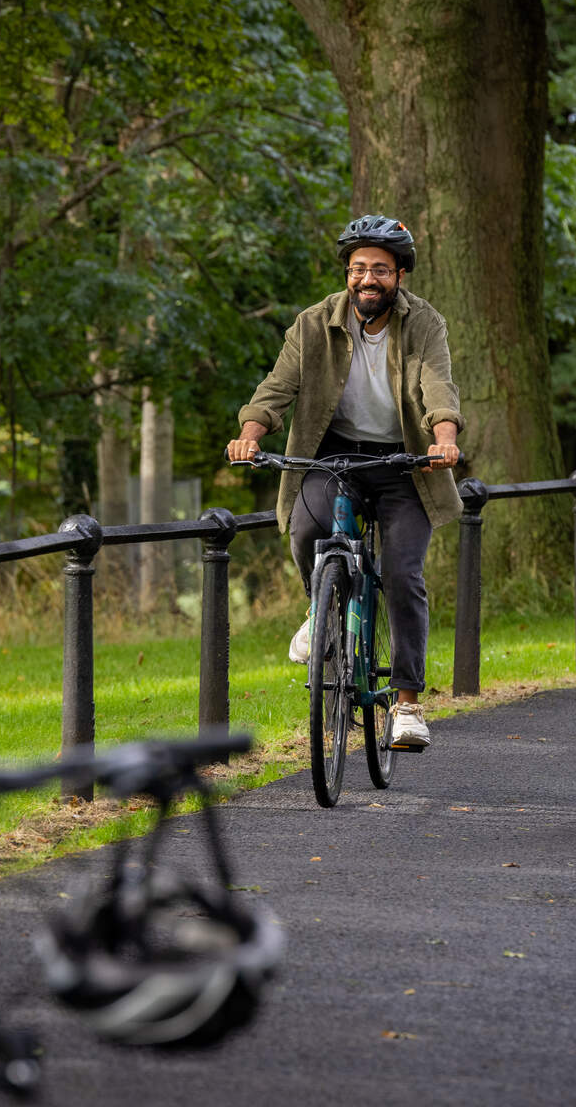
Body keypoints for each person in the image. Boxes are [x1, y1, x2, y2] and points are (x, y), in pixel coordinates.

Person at [226, 214, 463, 749]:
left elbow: (437, 387)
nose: (367, 279)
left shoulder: (424, 323)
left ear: (400, 275)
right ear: (347, 274)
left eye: (380, 269)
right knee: (307, 531)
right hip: (333, 456)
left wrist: (443, 439)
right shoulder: (312, 324)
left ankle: (406, 704)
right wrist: (251, 434)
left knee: (403, 574)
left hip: (404, 462)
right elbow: (276, 388)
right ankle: (322, 607)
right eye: (358, 268)